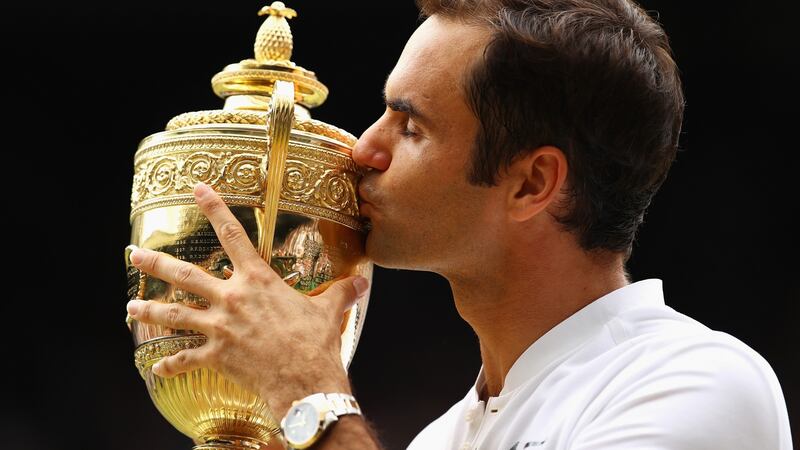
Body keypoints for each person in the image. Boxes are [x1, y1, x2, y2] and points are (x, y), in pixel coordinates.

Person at [125, 0, 793, 448]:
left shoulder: (700, 384)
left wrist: (309, 392)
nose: (363, 149)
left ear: (532, 183)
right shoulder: (442, 438)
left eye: (409, 124)